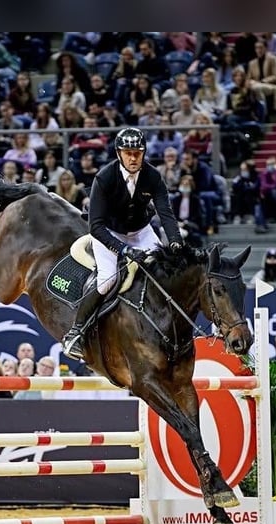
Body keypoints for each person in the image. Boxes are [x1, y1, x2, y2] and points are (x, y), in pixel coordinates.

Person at [62, 127, 183, 360]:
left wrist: (176, 243)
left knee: (165, 273)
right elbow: (95, 226)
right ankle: (76, 332)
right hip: (108, 232)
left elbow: (166, 213)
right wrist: (124, 251)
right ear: (119, 153)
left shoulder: (152, 176)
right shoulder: (104, 178)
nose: (133, 158)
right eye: (128, 153)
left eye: (138, 153)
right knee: (108, 280)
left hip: (140, 230)